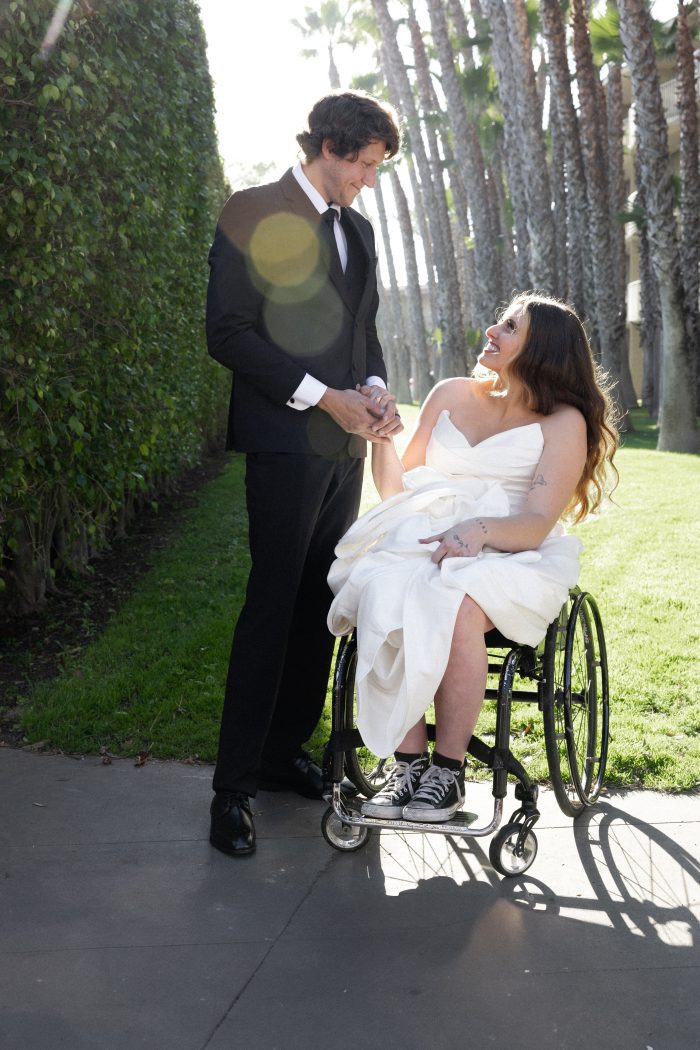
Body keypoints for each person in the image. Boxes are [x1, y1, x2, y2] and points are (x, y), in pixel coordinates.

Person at [328, 293, 618, 822]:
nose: (492, 330)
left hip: (509, 548)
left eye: (509, 327)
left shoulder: (563, 422)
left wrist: (478, 530)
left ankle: (448, 772)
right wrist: (381, 436)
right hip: (425, 532)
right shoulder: (452, 394)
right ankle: (408, 762)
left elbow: (535, 523)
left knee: (456, 601)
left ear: (541, 349)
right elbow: (397, 489)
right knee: (387, 587)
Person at [205, 91, 403, 856]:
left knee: (319, 605)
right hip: (284, 446)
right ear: (329, 146)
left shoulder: (359, 230)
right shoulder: (252, 208)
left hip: (344, 454)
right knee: (270, 605)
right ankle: (232, 791)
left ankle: (284, 753)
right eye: (364, 165)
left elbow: (364, 334)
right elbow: (227, 332)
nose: (369, 181)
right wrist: (328, 400)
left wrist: (376, 394)